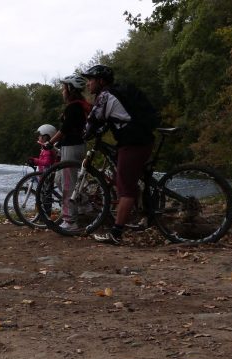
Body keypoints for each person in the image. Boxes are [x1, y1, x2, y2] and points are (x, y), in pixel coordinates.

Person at [82, 64, 155, 245]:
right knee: (128, 180)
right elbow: (112, 119)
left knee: (125, 189)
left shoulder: (105, 96)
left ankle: (116, 233)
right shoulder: (115, 93)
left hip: (133, 144)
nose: (88, 84)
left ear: (100, 81)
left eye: (90, 80)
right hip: (140, 140)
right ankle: (145, 216)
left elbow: (92, 121)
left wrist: (83, 135)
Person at [43, 74, 91, 231]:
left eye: (64, 88)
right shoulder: (81, 105)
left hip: (71, 147)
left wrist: (50, 142)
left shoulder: (73, 107)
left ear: (70, 89)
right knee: (61, 179)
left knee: (68, 185)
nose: (62, 91)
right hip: (78, 146)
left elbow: (64, 130)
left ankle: (70, 221)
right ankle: (85, 207)